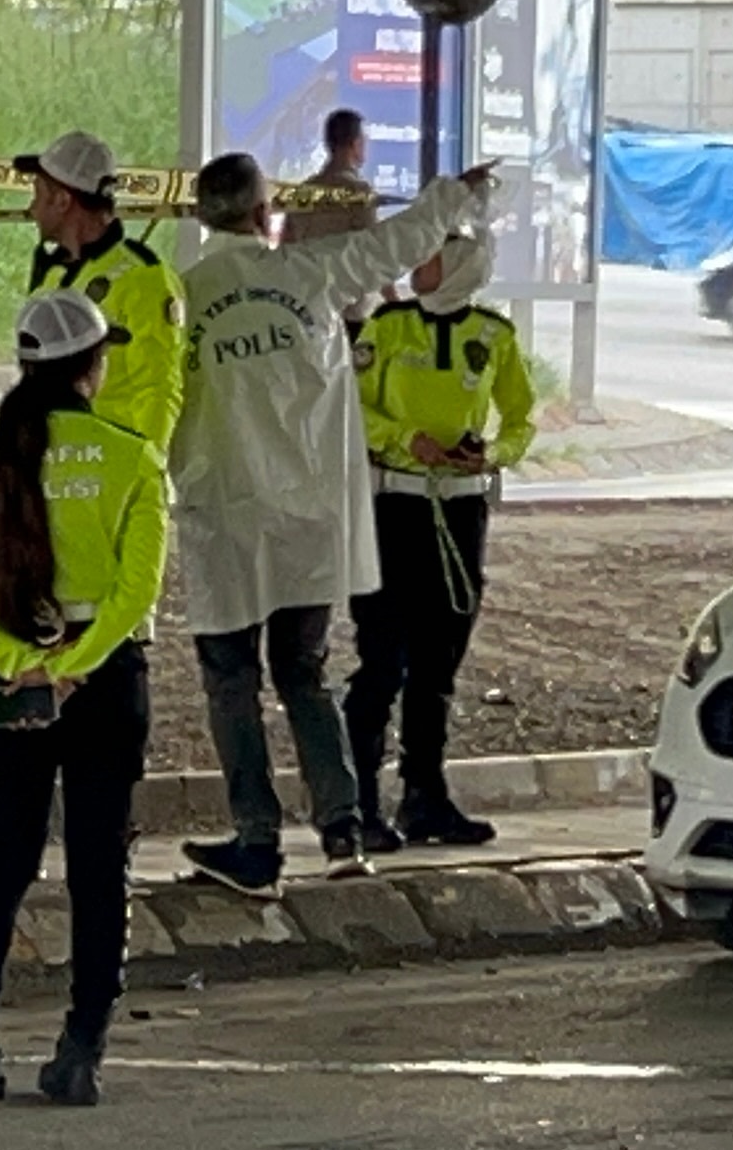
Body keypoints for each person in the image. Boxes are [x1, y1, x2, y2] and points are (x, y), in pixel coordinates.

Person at [171, 150, 494, 897]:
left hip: (221, 516)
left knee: (231, 684)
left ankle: (256, 842)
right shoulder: (313, 272)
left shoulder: (183, 301)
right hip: (306, 521)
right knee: (303, 675)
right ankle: (344, 830)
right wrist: (455, 194)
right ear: (265, 215)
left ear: (201, 217)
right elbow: (401, 241)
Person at [0, 288, 168, 1108]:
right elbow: (138, 592)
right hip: (104, 681)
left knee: (3, 861)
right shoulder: (132, 457)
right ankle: (81, 1052)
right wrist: (80, 663)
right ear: (92, 369)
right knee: (100, 867)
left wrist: (17, 661)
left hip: (8, 679)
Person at [344, 223, 536, 853]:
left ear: (460, 267)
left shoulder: (494, 335)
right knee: (381, 662)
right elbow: (353, 409)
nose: (417, 265)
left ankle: (425, 796)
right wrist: (407, 442)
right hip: (394, 509)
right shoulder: (387, 327)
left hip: (459, 514)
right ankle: (358, 804)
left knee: (437, 664)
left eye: (430, 257)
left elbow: (520, 419)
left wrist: (490, 455)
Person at [17, 130, 185, 446]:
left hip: (110, 470)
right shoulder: (53, 277)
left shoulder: (142, 277)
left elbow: (158, 390)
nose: (31, 208)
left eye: (38, 194)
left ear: (63, 200)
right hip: (56, 462)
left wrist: (146, 470)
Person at [285, 108, 383, 332]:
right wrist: (396, 301)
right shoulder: (359, 192)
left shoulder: (303, 191)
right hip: (350, 311)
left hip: (307, 308)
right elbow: (374, 253)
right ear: (355, 143)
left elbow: (286, 247)